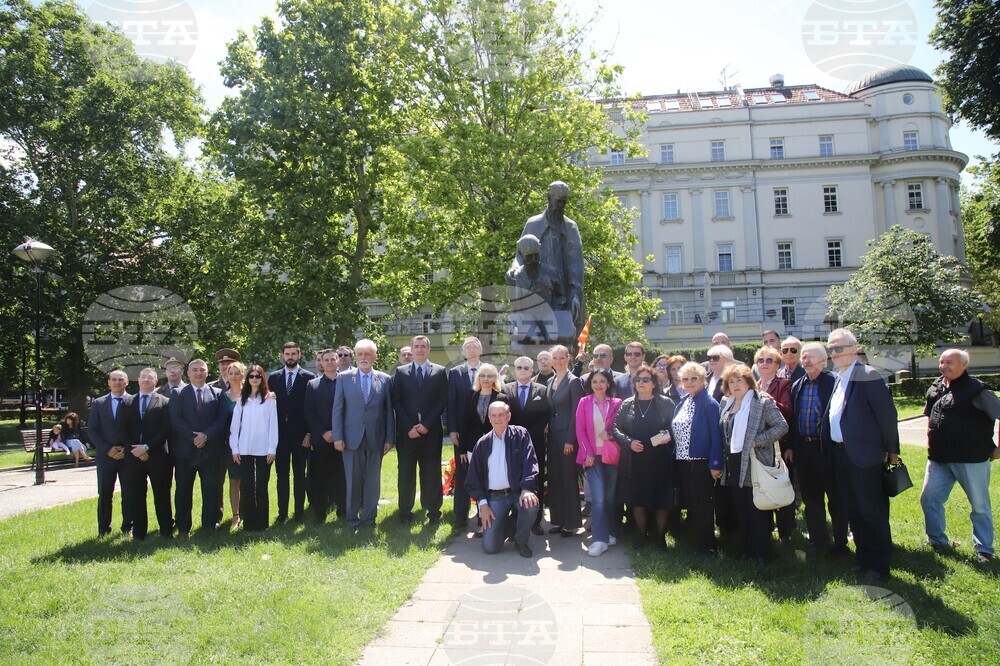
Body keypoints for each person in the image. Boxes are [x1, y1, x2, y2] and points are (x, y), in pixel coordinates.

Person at [822, 328, 899, 581]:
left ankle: (879, 566)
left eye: (838, 348)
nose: (833, 353)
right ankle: (863, 559)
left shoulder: (868, 375)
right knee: (853, 510)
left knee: (871, 512)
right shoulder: (838, 377)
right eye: (830, 349)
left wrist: (892, 451)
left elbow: (887, 416)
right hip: (841, 455)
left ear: (854, 349)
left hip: (865, 456)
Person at [921, 349, 1000, 564]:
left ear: (964, 365)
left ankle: (984, 549)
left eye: (949, 362)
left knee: (980, 506)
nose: (943, 366)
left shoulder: (977, 391)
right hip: (938, 459)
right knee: (929, 499)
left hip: (971, 459)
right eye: (941, 362)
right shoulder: (936, 387)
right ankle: (937, 541)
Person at [718, 364, 789, 566]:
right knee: (741, 508)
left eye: (739, 380)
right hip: (733, 462)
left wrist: (758, 441)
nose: (735, 385)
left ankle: (762, 554)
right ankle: (747, 550)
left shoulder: (762, 401)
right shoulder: (726, 402)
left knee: (757, 508)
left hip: (755, 461)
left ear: (748, 381)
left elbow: (782, 426)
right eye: (731, 381)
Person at [787, 342, 846, 556]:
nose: (806, 361)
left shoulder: (834, 383)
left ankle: (840, 545)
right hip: (804, 450)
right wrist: (793, 446)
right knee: (812, 500)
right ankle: (818, 542)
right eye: (804, 357)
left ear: (823, 360)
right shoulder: (798, 385)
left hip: (827, 450)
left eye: (810, 357)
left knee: (836, 499)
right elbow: (794, 420)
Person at [332, 339, 395, 531]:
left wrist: (389, 438)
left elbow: (389, 411)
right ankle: (352, 519)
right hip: (351, 439)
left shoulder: (385, 379)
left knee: (373, 481)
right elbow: (338, 409)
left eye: (367, 354)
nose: (363, 358)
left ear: (375, 357)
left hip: (376, 438)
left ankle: (369, 518)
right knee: (353, 480)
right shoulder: (344, 378)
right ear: (356, 357)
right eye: (360, 354)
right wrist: (338, 436)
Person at [464, 401, 540, 557]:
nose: (497, 419)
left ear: (509, 416)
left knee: (531, 505)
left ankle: (521, 540)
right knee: (490, 547)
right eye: (493, 415)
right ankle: (510, 523)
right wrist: (483, 505)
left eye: (501, 415)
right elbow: (473, 479)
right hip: (495, 496)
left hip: (518, 491)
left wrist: (527, 488)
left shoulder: (521, 434)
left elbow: (530, 462)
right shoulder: (482, 443)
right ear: (489, 418)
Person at [612, 364, 675, 549]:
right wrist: (628, 442)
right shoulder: (627, 403)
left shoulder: (666, 403)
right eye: (637, 380)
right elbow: (616, 428)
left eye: (645, 379)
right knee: (637, 501)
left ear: (654, 383)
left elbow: (674, 427)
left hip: (660, 459)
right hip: (635, 460)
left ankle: (661, 538)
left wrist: (665, 436)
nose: (641, 383)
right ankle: (641, 536)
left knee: (661, 502)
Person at [510, 181, 585, 330]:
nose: (561, 206)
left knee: (562, 335)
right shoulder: (533, 224)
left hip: (560, 293)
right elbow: (520, 255)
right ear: (549, 198)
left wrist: (575, 295)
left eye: (564, 202)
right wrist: (514, 268)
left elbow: (576, 265)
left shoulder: (570, 227)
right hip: (535, 287)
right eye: (558, 201)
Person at [392, 334, 448, 525]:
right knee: (406, 472)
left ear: (428, 349)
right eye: (416, 346)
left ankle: (433, 511)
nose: (419, 350)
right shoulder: (400, 372)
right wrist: (409, 427)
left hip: (431, 432)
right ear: (412, 348)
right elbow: (396, 402)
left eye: (423, 346)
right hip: (407, 433)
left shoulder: (440, 372)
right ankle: (405, 511)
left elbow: (442, 401)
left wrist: (426, 424)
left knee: (431, 472)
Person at [171, 359, 230, 536]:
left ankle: (210, 525)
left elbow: (221, 419)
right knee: (183, 491)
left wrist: (206, 435)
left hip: (211, 450)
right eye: (194, 370)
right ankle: (183, 528)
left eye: (202, 370)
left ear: (207, 372)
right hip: (185, 452)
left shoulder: (218, 394)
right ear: (188, 373)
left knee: (211, 490)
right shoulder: (178, 393)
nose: (198, 373)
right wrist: (192, 437)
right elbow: (176, 419)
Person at [671, 362, 724, 555]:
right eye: (685, 379)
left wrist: (715, 463)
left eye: (694, 378)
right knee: (693, 504)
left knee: (703, 505)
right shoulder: (684, 401)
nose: (690, 382)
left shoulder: (709, 403)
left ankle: (708, 546)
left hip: (701, 462)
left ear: (703, 380)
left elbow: (717, 436)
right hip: (683, 461)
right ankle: (698, 541)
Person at [454, 364, 508, 529]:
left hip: (496, 445)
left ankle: (494, 515)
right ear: (478, 378)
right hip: (472, 446)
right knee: (478, 480)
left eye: (490, 376)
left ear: (495, 378)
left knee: (491, 480)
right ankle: (480, 515)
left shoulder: (502, 397)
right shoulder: (470, 396)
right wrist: (462, 449)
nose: (486, 379)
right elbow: (464, 423)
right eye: (483, 375)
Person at [575, 369, 623, 556]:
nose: (598, 385)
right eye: (595, 381)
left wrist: (610, 434)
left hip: (612, 456)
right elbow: (580, 430)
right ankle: (599, 539)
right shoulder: (584, 402)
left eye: (602, 381)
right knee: (599, 497)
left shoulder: (617, 403)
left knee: (610, 497)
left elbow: (621, 427)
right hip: (592, 458)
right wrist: (587, 452)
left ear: (609, 383)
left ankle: (609, 533)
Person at [121, 367, 171, 540]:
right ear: (138, 380)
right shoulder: (127, 402)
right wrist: (136, 449)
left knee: (162, 494)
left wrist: (147, 447)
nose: (146, 380)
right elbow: (123, 430)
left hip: (157, 456)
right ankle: (139, 533)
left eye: (150, 378)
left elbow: (166, 430)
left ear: (155, 381)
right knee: (136, 495)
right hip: (134, 457)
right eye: (143, 377)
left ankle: (166, 531)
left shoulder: (164, 402)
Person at [269, 341, 316, 523]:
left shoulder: (309, 377)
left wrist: (309, 433)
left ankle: (299, 513)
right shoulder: (273, 378)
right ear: (282, 355)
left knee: (299, 475)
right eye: (287, 354)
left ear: (299, 355)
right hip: (280, 435)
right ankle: (282, 513)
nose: (290, 357)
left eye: (293, 354)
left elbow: (312, 408)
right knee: (282, 476)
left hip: (301, 435)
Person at [502, 357, 550, 535]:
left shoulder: (542, 390)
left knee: (535, 479)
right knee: (514, 479)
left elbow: (546, 414)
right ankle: (515, 519)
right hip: (513, 442)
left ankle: (535, 521)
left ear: (532, 370)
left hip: (535, 441)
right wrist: (516, 433)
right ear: (515, 370)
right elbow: (504, 415)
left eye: (526, 367)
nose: (523, 370)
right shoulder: (506, 389)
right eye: (519, 367)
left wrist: (529, 433)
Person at [230, 364, 279, 531]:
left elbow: (274, 426)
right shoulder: (241, 401)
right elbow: (235, 427)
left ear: (262, 378)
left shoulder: (270, 399)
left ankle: (262, 523)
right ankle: (249, 523)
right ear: (247, 379)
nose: (254, 379)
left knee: (262, 487)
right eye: (251, 376)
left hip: (264, 449)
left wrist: (272, 448)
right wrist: (234, 449)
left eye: (258, 376)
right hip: (244, 450)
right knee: (247, 486)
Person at [755, 346, 795, 542]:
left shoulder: (784, 384)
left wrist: (770, 400)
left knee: (780, 486)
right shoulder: (753, 385)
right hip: (758, 448)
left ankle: (786, 535)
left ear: (777, 365)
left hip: (778, 447)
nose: (764, 364)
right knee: (763, 487)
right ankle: (766, 531)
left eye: (769, 360)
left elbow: (787, 411)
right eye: (760, 360)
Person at [545, 344, 584, 536]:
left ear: (568, 358)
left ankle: (572, 522)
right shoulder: (551, 380)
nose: (558, 362)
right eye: (555, 358)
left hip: (567, 437)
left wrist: (571, 440)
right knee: (555, 478)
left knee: (568, 479)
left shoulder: (574, 381)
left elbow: (577, 414)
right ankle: (558, 520)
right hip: (553, 436)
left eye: (562, 358)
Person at [304, 349, 346, 524]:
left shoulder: (347, 382)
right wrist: (323, 432)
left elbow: (350, 410)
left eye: (332, 359)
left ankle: (343, 510)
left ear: (337, 361)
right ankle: (320, 512)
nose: (329, 362)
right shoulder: (312, 385)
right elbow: (308, 412)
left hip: (342, 438)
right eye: (325, 360)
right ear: (320, 362)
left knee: (341, 476)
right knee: (319, 477)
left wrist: (338, 432)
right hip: (321, 440)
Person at [88, 370, 130, 536]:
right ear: (108, 383)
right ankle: (103, 529)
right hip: (106, 456)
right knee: (105, 494)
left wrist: (126, 448)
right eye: (114, 380)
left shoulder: (133, 401)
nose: (117, 383)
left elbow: (137, 429)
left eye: (121, 380)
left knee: (129, 494)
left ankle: (128, 527)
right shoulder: (99, 403)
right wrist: (107, 449)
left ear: (126, 383)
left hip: (128, 456)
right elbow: (92, 429)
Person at [447, 337, 485, 458]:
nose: (471, 350)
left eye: (475, 346)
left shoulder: (488, 371)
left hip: (485, 426)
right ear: (462, 352)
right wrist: (452, 430)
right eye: (468, 347)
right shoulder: (455, 373)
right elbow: (451, 403)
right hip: (461, 428)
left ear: (481, 350)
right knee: (463, 468)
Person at [219, 361, 246, 528]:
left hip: (250, 442)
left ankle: (248, 511)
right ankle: (236, 515)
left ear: (243, 375)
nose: (234, 376)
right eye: (231, 373)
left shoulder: (252, 394)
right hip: (230, 444)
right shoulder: (222, 397)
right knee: (234, 479)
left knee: (250, 479)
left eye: (237, 373)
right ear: (227, 376)